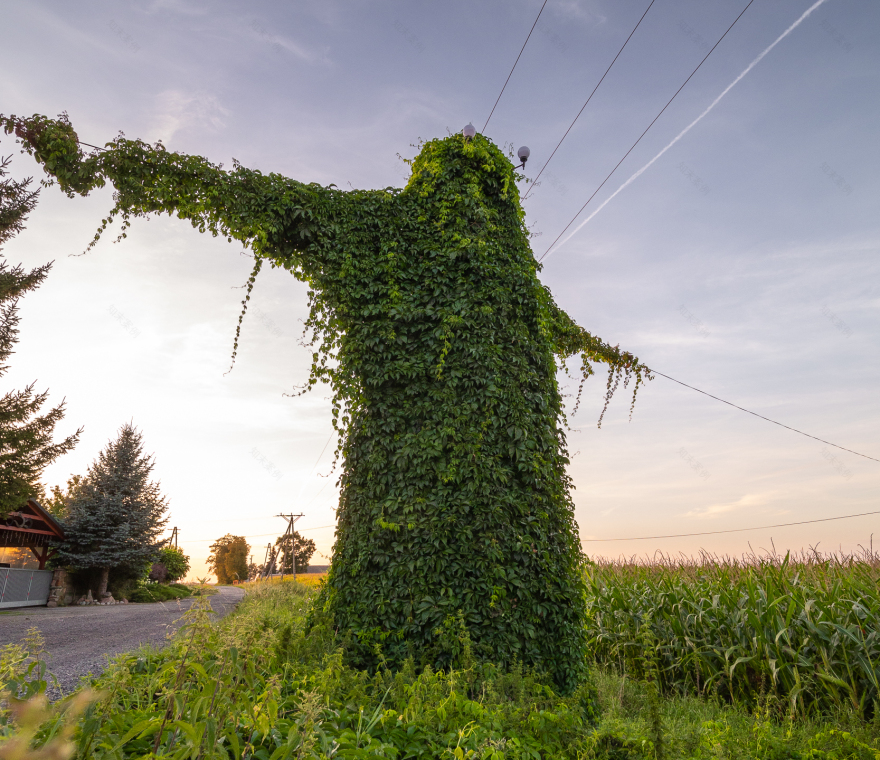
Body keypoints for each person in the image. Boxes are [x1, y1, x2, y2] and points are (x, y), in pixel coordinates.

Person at [2, 113, 646, 689]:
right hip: (444, 510)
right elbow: (252, 198)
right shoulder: (392, 235)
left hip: (493, 512)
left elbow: (247, 196)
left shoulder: (505, 283)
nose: (473, 201)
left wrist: (623, 363)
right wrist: (115, 162)